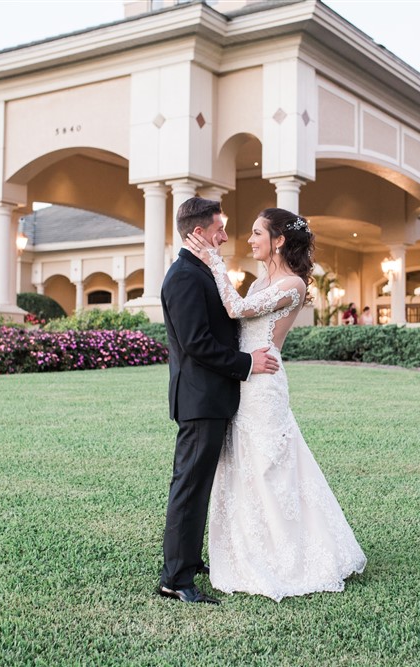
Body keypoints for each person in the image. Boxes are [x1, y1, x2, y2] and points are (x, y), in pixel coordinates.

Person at [185, 208, 367, 601]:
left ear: (279, 240)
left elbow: (236, 310)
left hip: (264, 383)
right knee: (243, 465)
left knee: (270, 465)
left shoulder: (292, 285)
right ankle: (249, 547)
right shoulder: (259, 281)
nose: (249, 240)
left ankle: (285, 554)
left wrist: (214, 261)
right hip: (244, 376)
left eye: (256, 233)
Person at [157, 197, 280, 606]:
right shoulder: (183, 277)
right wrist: (247, 363)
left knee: (200, 485)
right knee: (189, 487)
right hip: (200, 399)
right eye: (219, 229)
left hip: (212, 398)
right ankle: (175, 579)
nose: (225, 236)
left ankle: (189, 560)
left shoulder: (203, 270)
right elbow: (197, 343)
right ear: (199, 232)